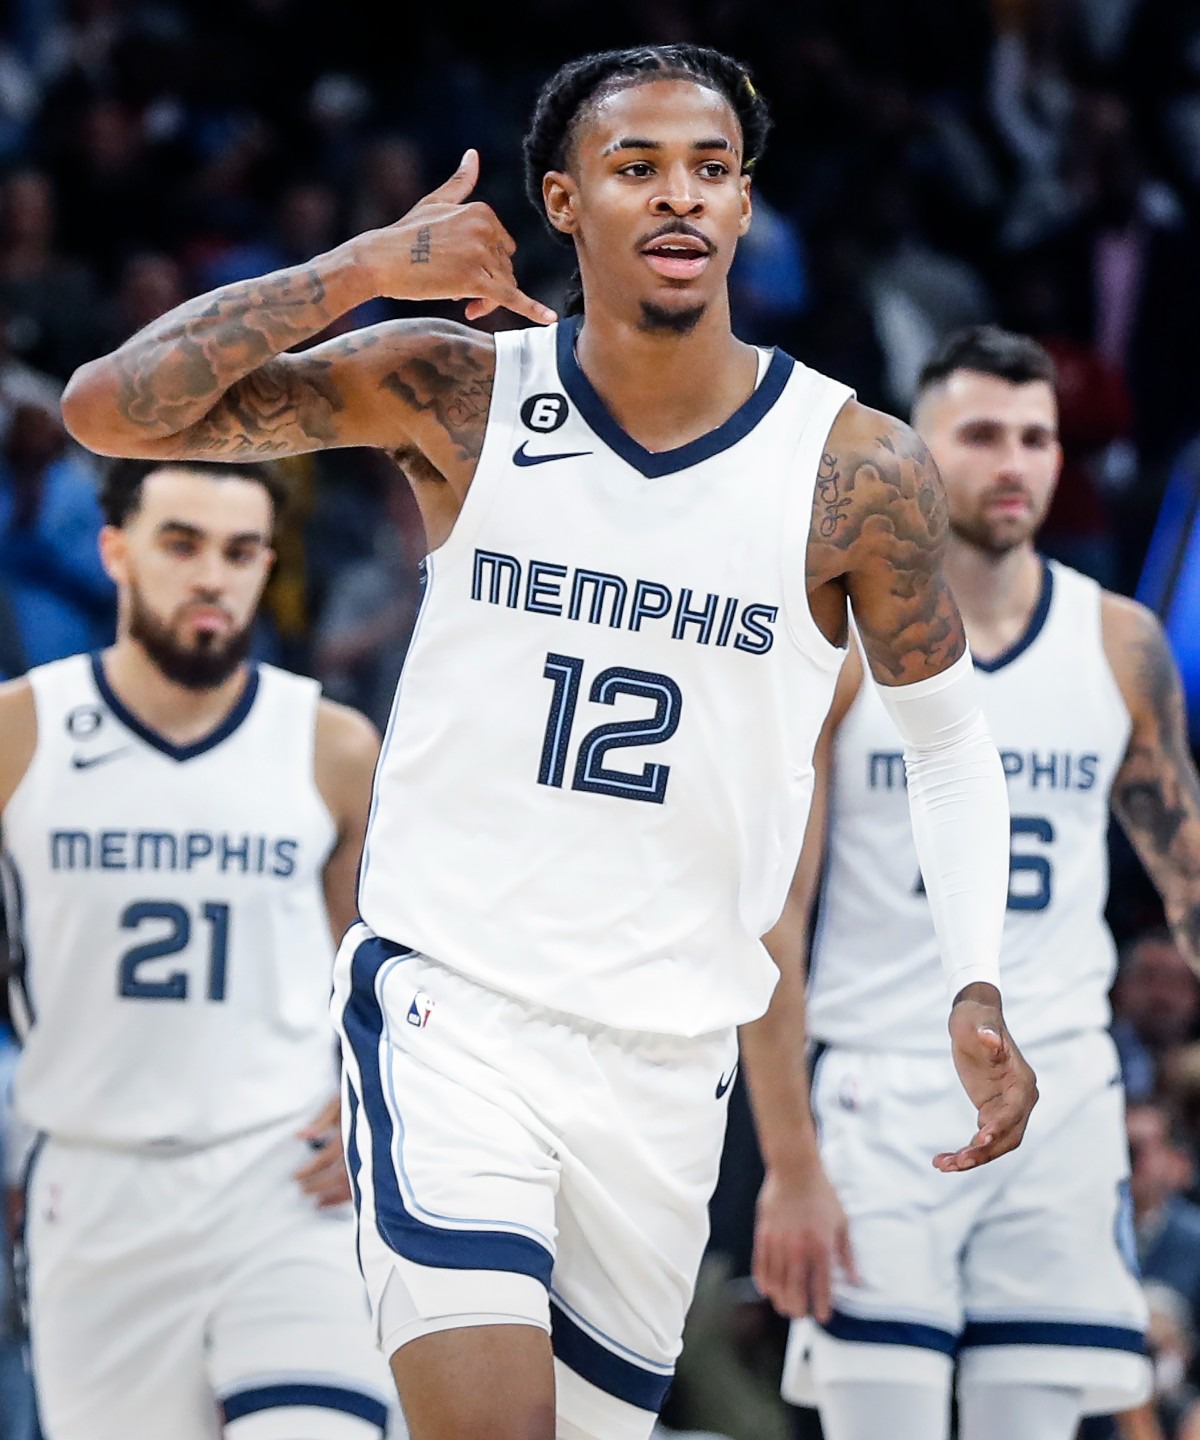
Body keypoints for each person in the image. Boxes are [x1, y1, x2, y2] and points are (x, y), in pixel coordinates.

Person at [58, 45, 1038, 1440]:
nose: (679, 196)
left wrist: (979, 978)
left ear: (748, 207)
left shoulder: (852, 466)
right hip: (456, 1012)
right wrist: (362, 267)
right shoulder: (461, 394)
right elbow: (111, 408)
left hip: (664, 1056)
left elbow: (946, 744)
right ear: (565, 204)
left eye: (710, 169)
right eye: (637, 169)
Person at [773, 325, 1200, 1440]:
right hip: (878, 1087)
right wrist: (788, 1160)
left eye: (1037, 437)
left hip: (1061, 1092)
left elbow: (1187, 875)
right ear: (918, 450)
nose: (1013, 463)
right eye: (981, 435)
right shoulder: (839, 641)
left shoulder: (1119, 641)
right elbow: (778, 914)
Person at [0, 457, 393, 1439]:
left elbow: (390, 976)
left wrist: (380, 1107)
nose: (212, 575)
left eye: (239, 551)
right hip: (92, 1184)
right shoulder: (21, 734)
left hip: (288, 1178)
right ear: (117, 551)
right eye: (181, 545)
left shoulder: (331, 747)